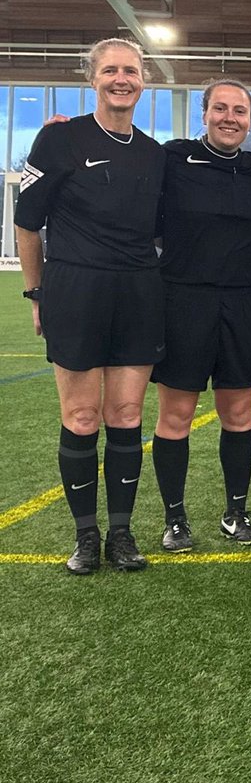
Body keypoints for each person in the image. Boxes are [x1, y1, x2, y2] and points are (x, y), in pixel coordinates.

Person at [15, 37, 166, 575]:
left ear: (144, 79)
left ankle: (122, 534)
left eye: (130, 70)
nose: (121, 79)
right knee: (81, 416)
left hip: (139, 293)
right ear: (93, 79)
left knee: (126, 414)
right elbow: (27, 222)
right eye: (110, 70)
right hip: (75, 290)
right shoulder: (57, 140)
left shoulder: (155, 152)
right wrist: (37, 292)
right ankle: (85, 536)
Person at [151, 78, 251, 551]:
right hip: (183, 299)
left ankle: (235, 513)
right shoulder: (172, 158)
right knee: (176, 415)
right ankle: (175, 519)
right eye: (220, 108)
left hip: (241, 301)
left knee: (238, 412)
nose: (230, 118)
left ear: (249, 120)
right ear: (204, 113)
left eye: (239, 111)